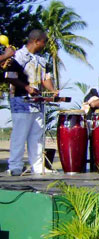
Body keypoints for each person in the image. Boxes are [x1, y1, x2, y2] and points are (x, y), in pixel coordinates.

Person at [5, 30, 57, 175]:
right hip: (21, 101)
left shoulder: (41, 59)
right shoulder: (19, 56)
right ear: (36, 41)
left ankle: (38, 166)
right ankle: (15, 166)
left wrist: (52, 90)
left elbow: (45, 78)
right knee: (20, 135)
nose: (44, 44)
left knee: (37, 136)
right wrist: (26, 87)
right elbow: (10, 76)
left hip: (37, 103)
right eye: (44, 41)